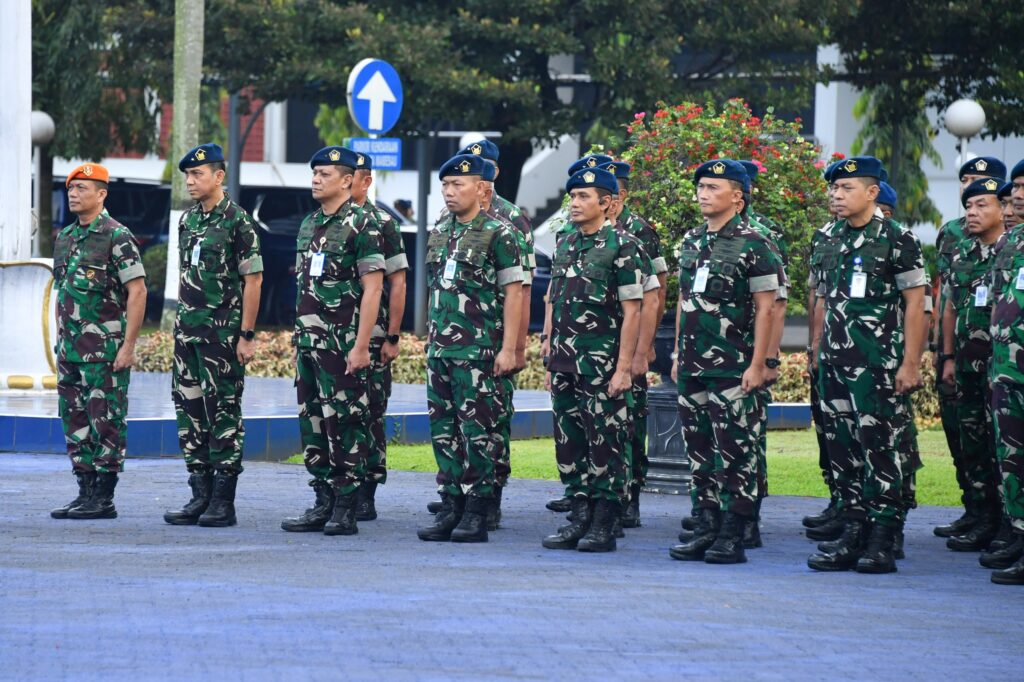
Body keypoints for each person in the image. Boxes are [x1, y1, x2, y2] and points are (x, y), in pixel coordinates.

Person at [807, 156, 927, 574]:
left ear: (872, 193)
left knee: (882, 450)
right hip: (836, 364)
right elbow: (821, 299)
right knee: (843, 450)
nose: (836, 196)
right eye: (834, 189)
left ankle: (883, 536)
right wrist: (817, 351)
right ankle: (854, 529)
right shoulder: (826, 238)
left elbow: (916, 305)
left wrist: (911, 363)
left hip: (878, 365)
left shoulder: (898, 239)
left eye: (846, 188)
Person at [667, 159, 780, 565]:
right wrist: (679, 352)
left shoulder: (756, 243)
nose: (702, 193)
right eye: (700, 186)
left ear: (738, 196)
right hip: (694, 364)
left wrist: (760, 363)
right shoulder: (693, 241)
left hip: (734, 366)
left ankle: (735, 530)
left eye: (713, 187)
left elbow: (768, 309)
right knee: (699, 451)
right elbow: (684, 302)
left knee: (736, 450)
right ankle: (706, 522)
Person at [417, 154, 523, 543]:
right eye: (445, 185)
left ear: (481, 189)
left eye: (458, 185)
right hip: (441, 349)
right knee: (443, 430)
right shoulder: (442, 230)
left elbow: (514, 294)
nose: (449, 191)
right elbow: (436, 289)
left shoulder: (499, 233)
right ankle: (450, 503)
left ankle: (479, 508)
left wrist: (510, 348)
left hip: (478, 351)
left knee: (478, 431)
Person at [280, 146, 384, 536]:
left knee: (346, 422)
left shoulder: (362, 224)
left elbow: (373, 289)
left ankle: (346, 505)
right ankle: (322, 499)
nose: (315, 180)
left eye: (324, 174)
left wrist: (361, 346)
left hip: (343, 344)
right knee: (313, 423)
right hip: (310, 342)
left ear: (346, 180)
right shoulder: (309, 224)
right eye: (314, 173)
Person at [541, 166, 644, 553]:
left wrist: (623, 368)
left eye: (585, 197)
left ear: (607, 203)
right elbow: (555, 297)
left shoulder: (623, 245)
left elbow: (633, 311)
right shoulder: (566, 243)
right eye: (573, 197)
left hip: (602, 365)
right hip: (566, 362)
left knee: (607, 443)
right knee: (569, 442)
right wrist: (550, 348)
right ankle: (579, 515)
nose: (576, 203)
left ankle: (605, 520)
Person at [164, 143, 264, 528]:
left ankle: (223, 500)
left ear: (219, 177)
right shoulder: (188, 221)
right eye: (187, 175)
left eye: (198, 174)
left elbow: (253, 280)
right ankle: (199, 493)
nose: (190, 181)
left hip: (221, 337)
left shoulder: (237, 221)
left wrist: (247, 334)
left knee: (222, 412)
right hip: (187, 334)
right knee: (189, 413)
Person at [50, 163, 146, 520]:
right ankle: (84, 490)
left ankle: (104, 497)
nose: (74, 194)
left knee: (105, 419)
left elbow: (137, 292)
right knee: (74, 419)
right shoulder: (65, 237)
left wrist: (128, 346)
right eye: (71, 188)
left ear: (101, 194)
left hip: (105, 351)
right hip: (70, 350)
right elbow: (63, 295)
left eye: (82, 188)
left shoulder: (117, 236)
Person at [933, 157, 1007, 538]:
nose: (972, 208)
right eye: (968, 197)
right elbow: (948, 304)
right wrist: (945, 355)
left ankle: (1005, 523)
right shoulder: (960, 248)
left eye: (982, 200)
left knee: (1002, 446)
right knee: (969, 439)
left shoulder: (1011, 252)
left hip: (1003, 366)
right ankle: (978, 513)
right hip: (964, 362)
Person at [601, 160, 668, 530]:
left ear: (619, 196)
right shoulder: (575, 232)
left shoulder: (640, 232)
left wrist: (645, 347)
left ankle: (630, 495)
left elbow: (654, 295)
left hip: (628, 343)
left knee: (630, 421)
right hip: (591, 346)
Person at [350, 152, 408, 522]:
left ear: (365, 181)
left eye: (349, 175)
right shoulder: (323, 223)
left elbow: (398, 282)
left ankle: (368, 489)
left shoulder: (382, 222)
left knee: (370, 413)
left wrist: (393, 336)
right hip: (333, 337)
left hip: (370, 337)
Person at [987, 160, 1024, 584]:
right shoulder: (1010, 243)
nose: (1017, 193)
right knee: (1012, 459)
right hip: (1006, 371)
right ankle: (1018, 535)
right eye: (1015, 185)